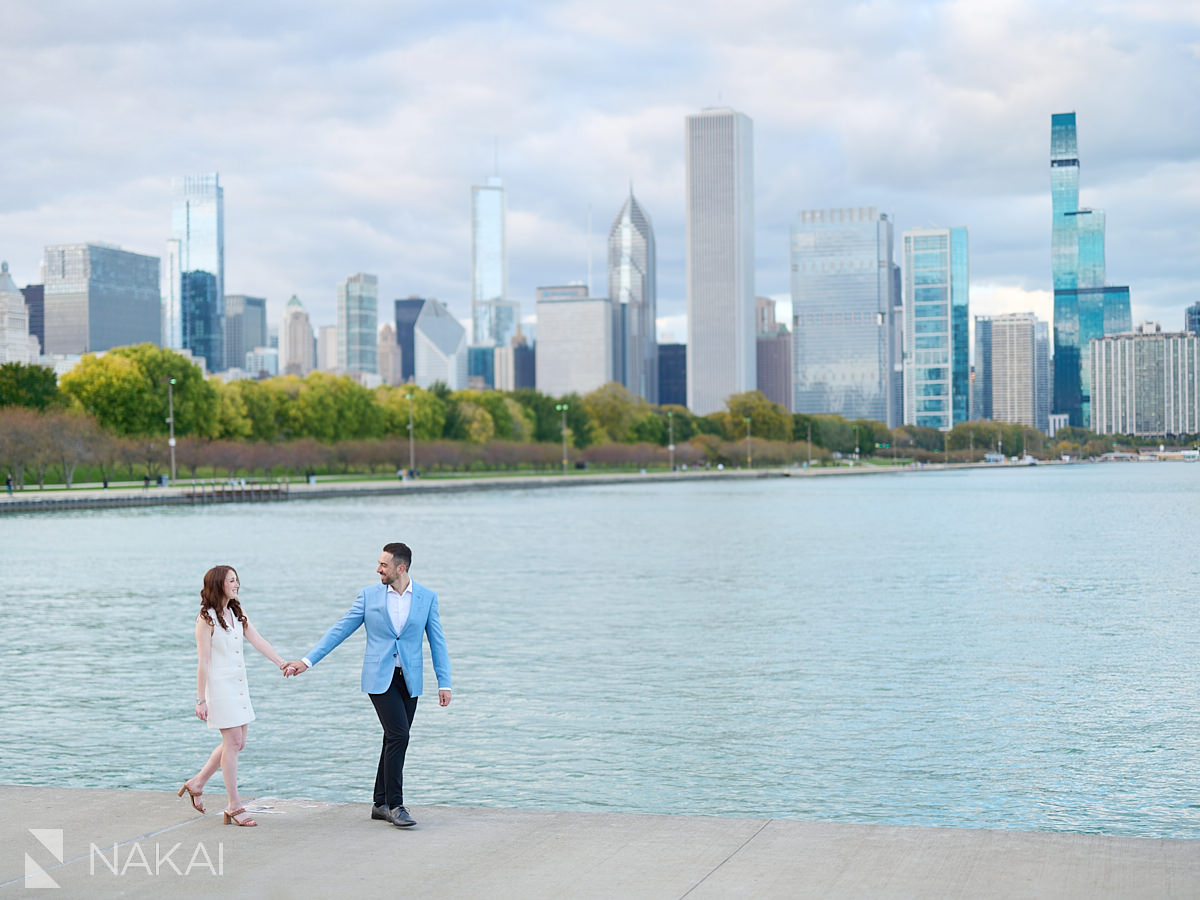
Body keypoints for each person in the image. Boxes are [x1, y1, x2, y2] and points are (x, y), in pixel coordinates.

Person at [283, 542, 451, 828]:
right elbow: (340, 629)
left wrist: (443, 682)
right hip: (379, 678)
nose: (378, 569)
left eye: (383, 565)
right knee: (399, 735)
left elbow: (438, 641)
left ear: (401, 568)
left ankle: (380, 802)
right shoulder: (369, 596)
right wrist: (307, 661)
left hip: (410, 680)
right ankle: (396, 805)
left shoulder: (427, 598)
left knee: (393, 736)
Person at [178, 565, 289, 827]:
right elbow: (203, 662)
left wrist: (281, 662)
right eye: (231, 581)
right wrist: (200, 699)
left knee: (238, 744)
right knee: (233, 742)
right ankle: (234, 805)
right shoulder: (205, 619)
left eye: (237, 580)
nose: (236, 584)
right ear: (219, 585)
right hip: (218, 687)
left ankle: (197, 783)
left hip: (239, 684)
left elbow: (258, 640)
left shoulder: (236, 612)